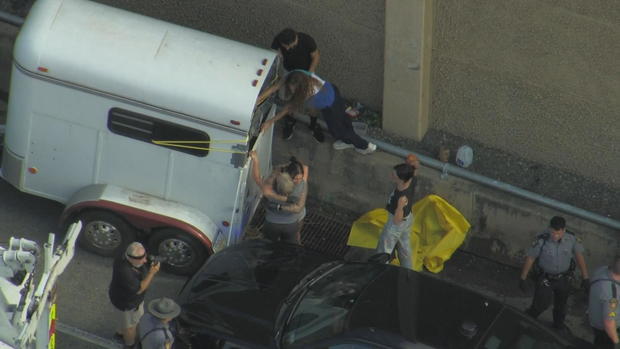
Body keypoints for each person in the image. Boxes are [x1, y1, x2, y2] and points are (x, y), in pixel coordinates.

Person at [259, 71, 377, 155]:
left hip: (330, 106)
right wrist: (258, 99)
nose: (292, 91)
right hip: (333, 92)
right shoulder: (298, 74)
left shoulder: (308, 93)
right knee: (343, 119)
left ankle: (364, 146)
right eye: (291, 88)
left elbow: (288, 108)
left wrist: (270, 122)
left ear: (303, 87)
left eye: (295, 89)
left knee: (338, 130)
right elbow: (277, 86)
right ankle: (349, 135)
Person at [518, 216, 589, 332]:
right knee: (541, 304)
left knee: (561, 306)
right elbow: (530, 258)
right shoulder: (542, 239)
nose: (555, 236)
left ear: (564, 230)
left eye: (558, 233)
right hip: (545, 278)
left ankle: (558, 325)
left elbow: (579, 256)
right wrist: (523, 278)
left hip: (563, 278)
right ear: (549, 228)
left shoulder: (571, 238)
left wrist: (586, 278)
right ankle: (527, 319)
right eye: (553, 233)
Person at [271, 28, 323, 142]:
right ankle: (290, 121)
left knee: (312, 102)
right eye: (286, 46)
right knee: (289, 98)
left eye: (291, 46)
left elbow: (316, 55)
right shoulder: (279, 40)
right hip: (289, 73)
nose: (288, 49)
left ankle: (313, 124)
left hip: (306, 73)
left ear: (296, 38)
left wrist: (309, 73)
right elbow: (275, 53)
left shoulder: (307, 40)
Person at [109, 242, 160, 349]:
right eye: (141, 259)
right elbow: (140, 289)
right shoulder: (124, 271)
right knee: (130, 327)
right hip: (127, 304)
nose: (145, 260)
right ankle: (129, 344)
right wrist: (152, 273)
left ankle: (120, 333)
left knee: (125, 321)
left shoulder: (125, 256)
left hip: (125, 300)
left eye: (145, 256)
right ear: (131, 259)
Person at [250, 150, 308, 244]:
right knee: (291, 245)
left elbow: (257, 178)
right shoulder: (301, 186)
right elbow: (305, 167)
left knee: (269, 244)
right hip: (291, 223)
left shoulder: (268, 190)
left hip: (272, 223)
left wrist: (256, 160)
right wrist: (293, 163)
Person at [375, 163, 416, 269]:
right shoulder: (411, 181)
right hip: (408, 219)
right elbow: (414, 169)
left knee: (384, 249)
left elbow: (397, 220)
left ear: (402, 179)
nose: (391, 176)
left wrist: (400, 206)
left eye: (394, 176)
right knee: (404, 246)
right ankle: (408, 270)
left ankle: (380, 270)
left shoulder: (401, 198)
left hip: (396, 223)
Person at [589, 256, 620, 348]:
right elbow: (609, 322)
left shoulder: (603, 270)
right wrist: (616, 342)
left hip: (595, 319)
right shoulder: (612, 295)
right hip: (606, 332)